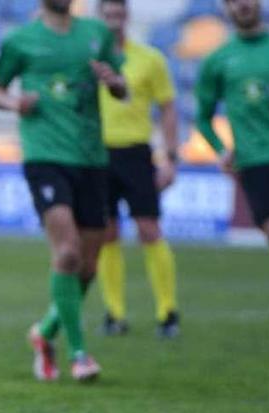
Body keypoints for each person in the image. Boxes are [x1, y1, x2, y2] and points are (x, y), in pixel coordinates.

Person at [0, 0, 126, 382]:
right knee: (67, 253)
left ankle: (44, 333)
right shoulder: (20, 40)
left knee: (88, 266)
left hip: (92, 157)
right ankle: (80, 354)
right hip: (45, 156)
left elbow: (121, 86)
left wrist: (114, 83)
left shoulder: (95, 34)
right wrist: (15, 102)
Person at [96, 0, 181, 338]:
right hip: (97, 153)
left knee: (149, 228)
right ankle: (115, 313)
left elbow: (169, 108)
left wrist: (171, 157)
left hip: (136, 153)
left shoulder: (150, 59)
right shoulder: (89, 62)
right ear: (99, 18)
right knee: (107, 232)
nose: (114, 19)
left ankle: (167, 311)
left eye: (119, 13)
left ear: (126, 17)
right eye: (108, 14)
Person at [196, 0, 269, 251]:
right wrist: (221, 150)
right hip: (255, 162)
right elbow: (203, 117)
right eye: (232, 0)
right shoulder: (218, 60)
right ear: (225, 8)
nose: (241, 4)